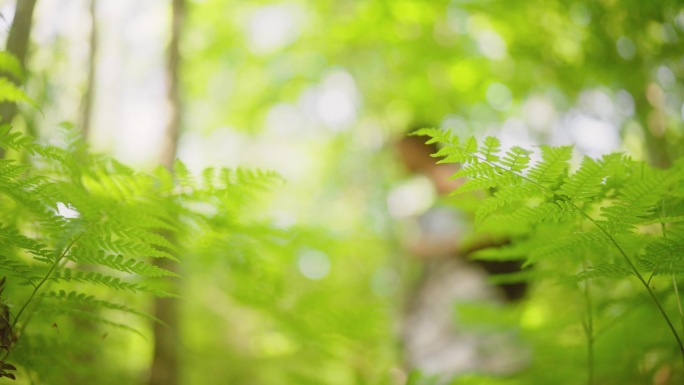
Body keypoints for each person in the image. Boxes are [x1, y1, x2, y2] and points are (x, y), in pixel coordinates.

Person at [393, 132, 528, 382]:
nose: (396, 160)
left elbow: (494, 232)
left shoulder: (448, 177)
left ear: (416, 146)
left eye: (399, 151)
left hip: (463, 293)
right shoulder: (438, 186)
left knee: (466, 367)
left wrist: (430, 248)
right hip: (453, 297)